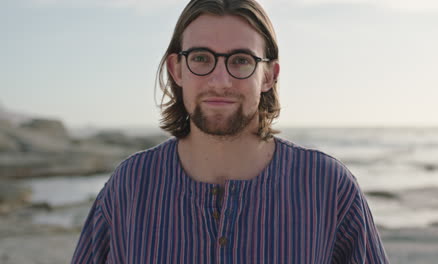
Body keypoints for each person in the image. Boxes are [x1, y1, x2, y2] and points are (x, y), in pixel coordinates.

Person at [72, 0, 389, 263]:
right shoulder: (130, 187)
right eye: (200, 58)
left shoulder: (328, 188)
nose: (220, 80)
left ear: (269, 76)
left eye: (240, 60)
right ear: (176, 69)